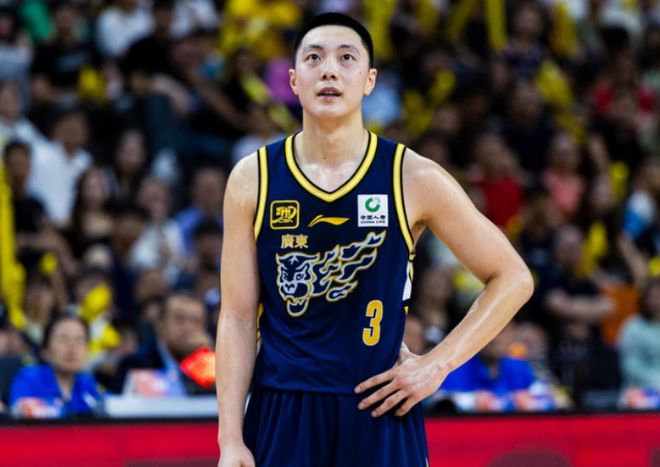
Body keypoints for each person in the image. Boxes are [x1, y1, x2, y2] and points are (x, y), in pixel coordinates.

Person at [215, 13, 534, 467]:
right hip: (281, 407)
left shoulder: (413, 176)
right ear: (293, 81)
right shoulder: (253, 177)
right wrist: (229, 438)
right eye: (314, 58)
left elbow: (513, 277)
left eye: (346, 58)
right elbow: (237, 316)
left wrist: (437, 364)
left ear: (369, 81)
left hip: (379, 404)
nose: (329, 70)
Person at [9, 312, 102, 418]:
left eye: (79, 340)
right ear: (45, 350)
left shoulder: (87, 383)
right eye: (63, 339)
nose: (72, 347)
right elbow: (20, 411)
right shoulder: (29, 378)